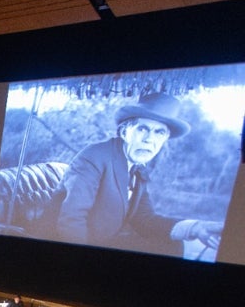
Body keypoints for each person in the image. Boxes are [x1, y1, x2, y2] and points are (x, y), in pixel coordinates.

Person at [56, 92, 223, 255]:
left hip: (105, 241)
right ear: (124, 132)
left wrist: (194, 227)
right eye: (143, 129)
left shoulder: (136, 167)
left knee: (171, 245)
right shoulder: (95, 157)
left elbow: (144, 219)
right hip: (68, 243)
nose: (150, 139)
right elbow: (71, 219)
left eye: (159, 132)